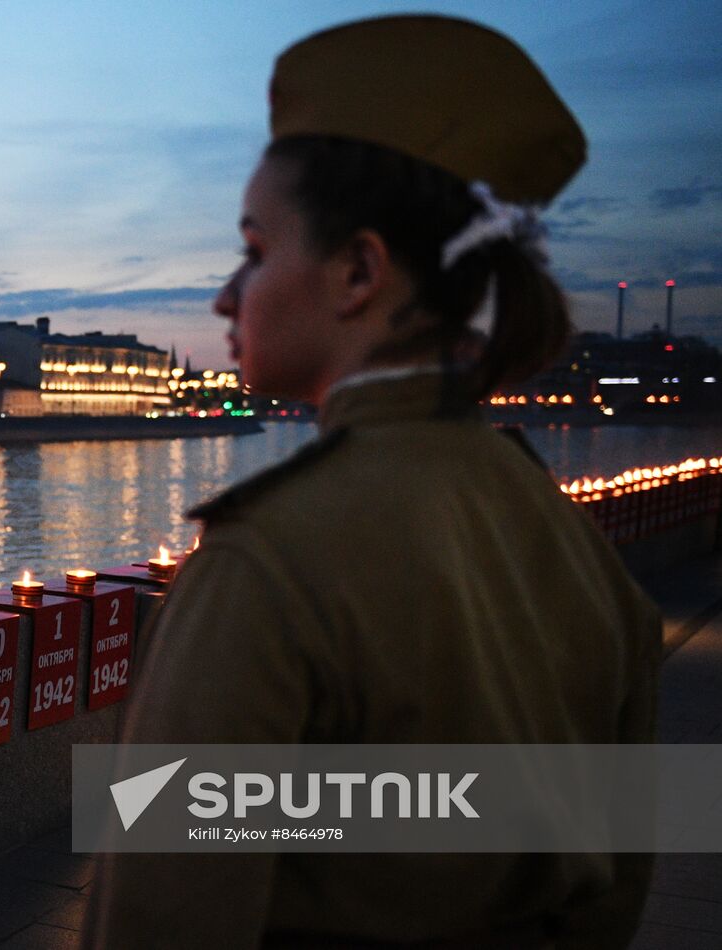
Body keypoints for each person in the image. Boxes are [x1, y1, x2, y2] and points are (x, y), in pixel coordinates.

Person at [83, 14, 661, 950]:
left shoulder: (272, 558)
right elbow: (615, 887)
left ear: (359, 270)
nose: (225, 297)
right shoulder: (569, 544)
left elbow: (160, 913)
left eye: (256, 250)